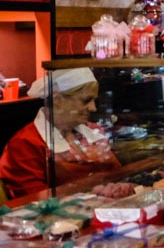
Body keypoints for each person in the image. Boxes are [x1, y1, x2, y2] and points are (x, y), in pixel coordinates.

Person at [0, 68, 119, 200]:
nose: (93, 108)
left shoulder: (94, 131)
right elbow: (34, 200)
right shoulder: (25, 144)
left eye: (94, 101)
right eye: (86, 100)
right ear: (56, 99)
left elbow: (117, 175)